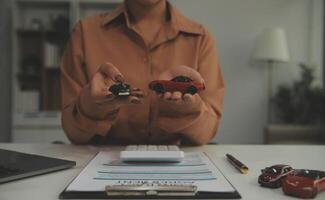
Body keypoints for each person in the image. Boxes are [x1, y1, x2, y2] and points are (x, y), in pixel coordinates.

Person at [60, 0, 224, 145]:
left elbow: (207, 133)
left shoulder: (200, 39)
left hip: (178, 163)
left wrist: (191, 111)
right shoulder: (84, 34)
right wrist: (90, 106)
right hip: (98, 164)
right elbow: (73, 134)